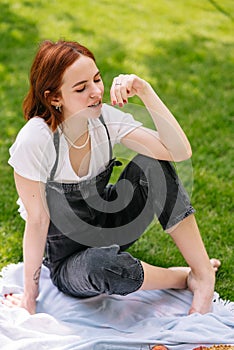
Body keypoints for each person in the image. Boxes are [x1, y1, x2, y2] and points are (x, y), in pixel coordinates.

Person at [4, 40, 220, 316]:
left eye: (97, 79)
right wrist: (29, 300)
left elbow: (178, 152)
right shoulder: (36, 140)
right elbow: (37, 222)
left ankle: (203, 276)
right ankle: (181, 278)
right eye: (81, 88)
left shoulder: (105, 119)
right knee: (103, 265)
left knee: (154, 162)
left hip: (109, 224)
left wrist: (146, 91)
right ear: (54, 97)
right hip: (70, 261)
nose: (96, 92)